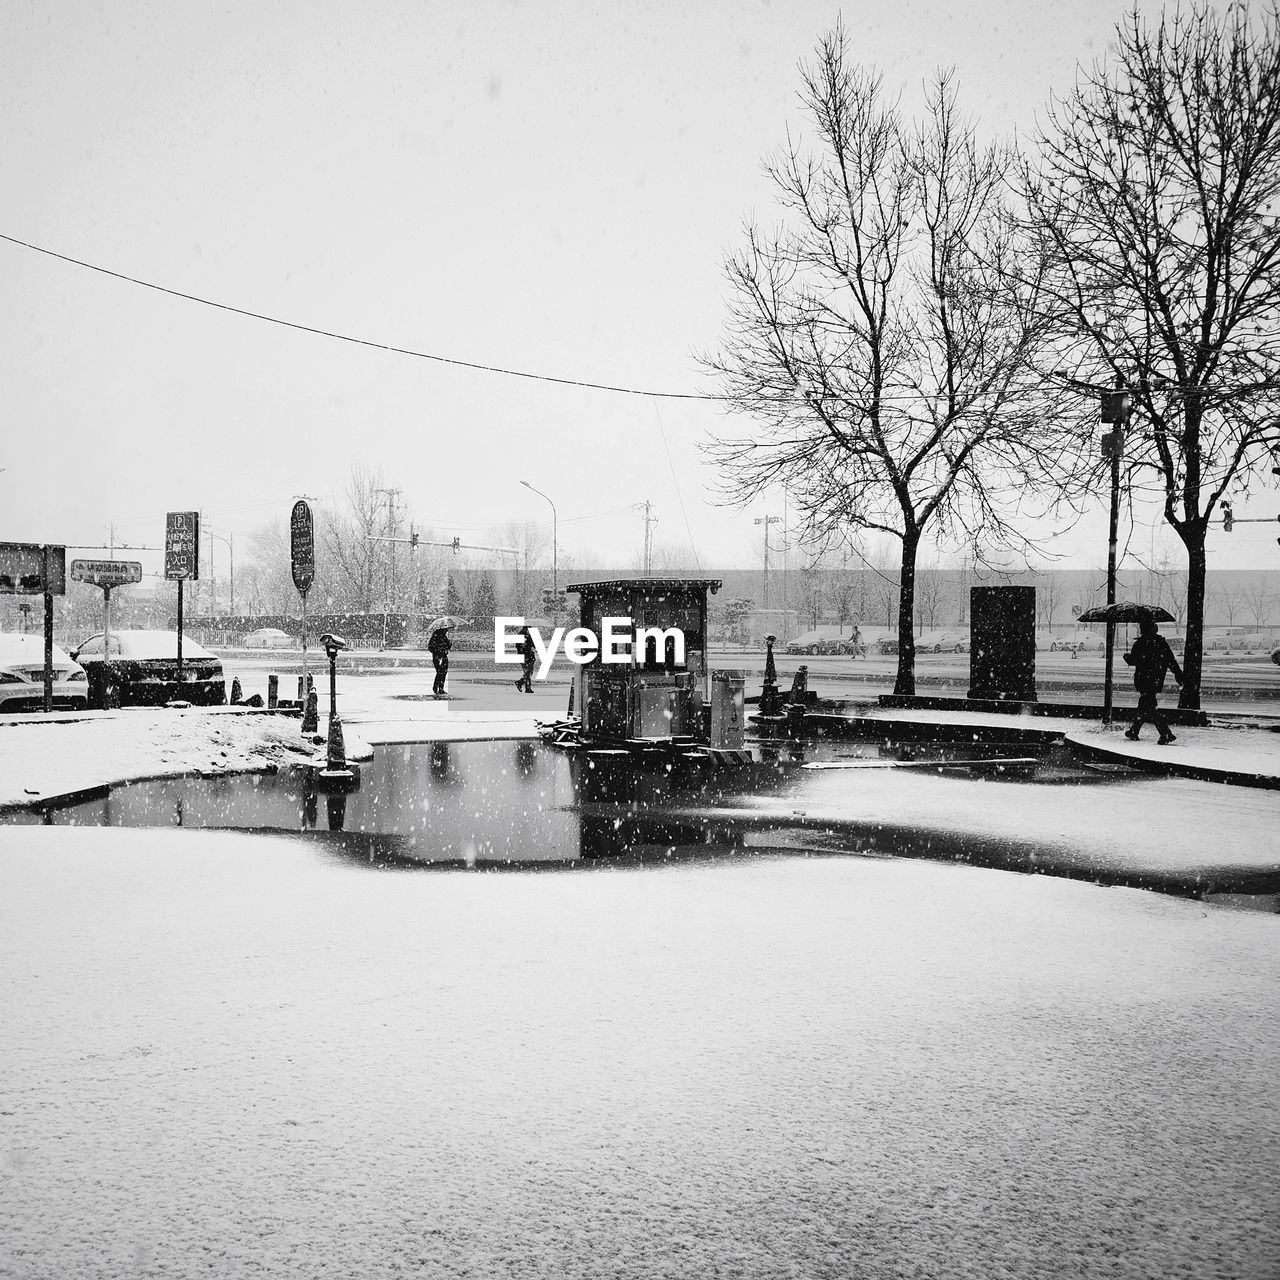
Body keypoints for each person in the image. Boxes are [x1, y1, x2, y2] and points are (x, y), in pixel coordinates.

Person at [1123, 615, 1183, 744]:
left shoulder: (1140, 643)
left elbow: (1134, 660)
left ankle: (1165, 733)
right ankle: (1134, 730)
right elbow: (1171, 661)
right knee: (1144, 706)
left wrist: (1127, 658)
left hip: (1143, 680)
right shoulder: (1161, 643)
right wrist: (1179, 675)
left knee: (1148, 708)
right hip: (1156, 680)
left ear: (1143, 629)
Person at [427, 625, 452, 697]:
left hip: (444, 657)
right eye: (446, 629)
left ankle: (440, 688)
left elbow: (447, 647)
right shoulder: (436, 636)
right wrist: (438, 651)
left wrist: (449, 644)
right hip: (437, 657)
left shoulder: (444, 637)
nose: (447, 631)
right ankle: (436, 687)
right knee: (440, 672)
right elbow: (430, 647)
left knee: (443, 672)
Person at [514, 626, 536, 693]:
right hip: (528, 656)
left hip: (525, 656)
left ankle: (522, 684)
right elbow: (526, 646)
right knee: (528, 672)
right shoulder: (526, 636)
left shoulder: (524, 635)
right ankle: (526, 687)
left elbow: (519, 646)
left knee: (528, 672)